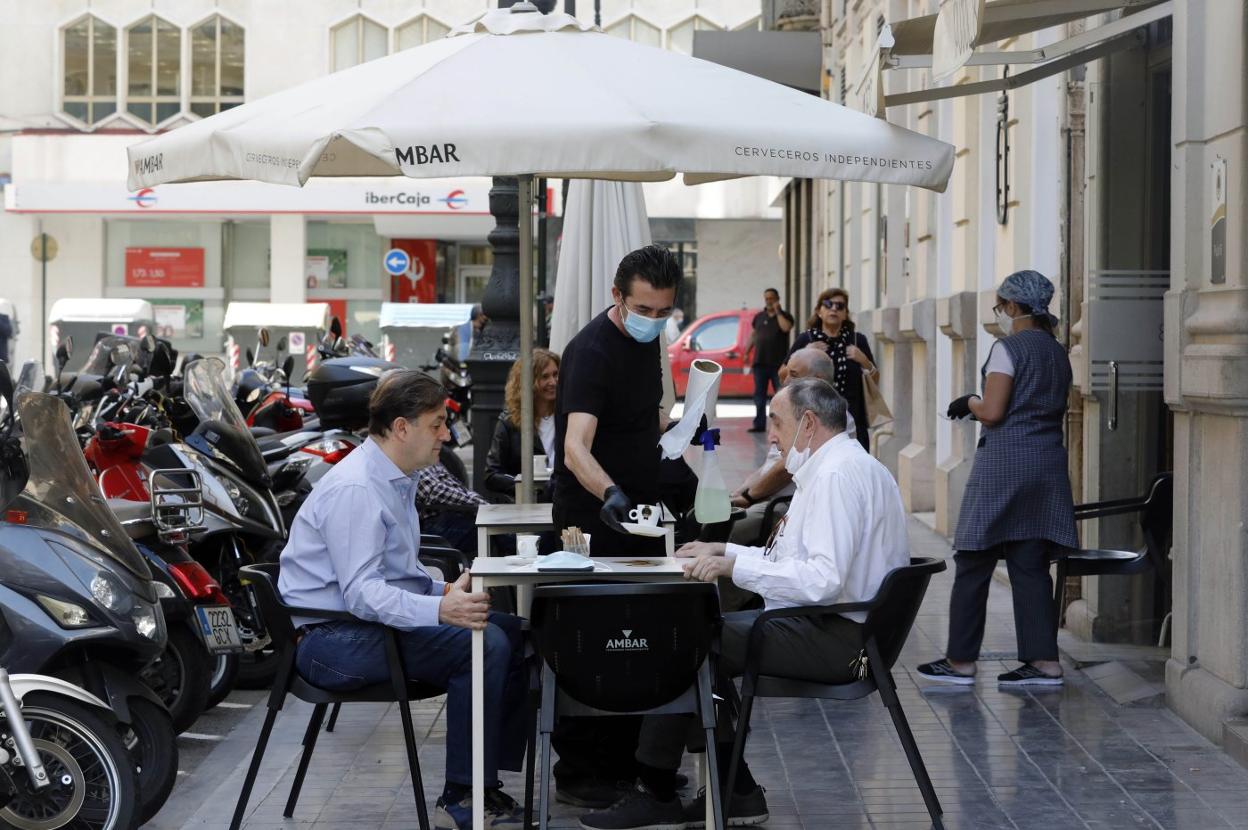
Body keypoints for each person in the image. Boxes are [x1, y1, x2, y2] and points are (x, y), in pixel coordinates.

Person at [580, 378, 910, 830]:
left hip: (841, 641)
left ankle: (657, 790)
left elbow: (821, 582)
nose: (770, 434)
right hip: (848, 632)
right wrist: (725, 553)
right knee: (700, 638)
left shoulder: (836, 476)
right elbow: (798, 564)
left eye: (777, 422)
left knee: (686, 640)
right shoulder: (849, 466)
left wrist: (732, 569)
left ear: (809, 423)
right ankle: (735, 790)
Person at [278, 370, 526, 829]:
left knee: (517, 633)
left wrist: (443, 591)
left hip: (357, 626)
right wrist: (439, 609)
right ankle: (463, 795)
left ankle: (485, 778)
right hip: (329, 640)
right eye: (436, 423)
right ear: (401, 428)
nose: (446, 435)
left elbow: (392, 577)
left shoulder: (394, 477)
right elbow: (362, 593)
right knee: (486, 643)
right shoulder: (358, 487)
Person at [549, 244, 680, 808]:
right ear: (617, 298)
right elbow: (576, 447)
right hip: (593, 515)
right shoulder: (593, 352)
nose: (654, 321)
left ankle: (625, 763)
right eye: (644, 310)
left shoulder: (646, 345)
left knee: (641, 635)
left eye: (663, 312)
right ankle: (580, 770)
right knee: (596, 640)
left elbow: (641, 422)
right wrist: (612, 495)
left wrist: (681, 428)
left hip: (639, 510)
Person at [918, 270, 1077, 688]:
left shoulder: (1008, 348)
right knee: (1029, 562)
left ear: (1011, 306)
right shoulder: (1058, 351)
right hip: (1047, 463)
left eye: (1001, 306)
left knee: (973, 558)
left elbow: (993, 411)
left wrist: (969, 401)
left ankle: (961, 663)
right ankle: (1045, 663)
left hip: (1004, 463)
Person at [727, 348, 857, 551]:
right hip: (775, 498)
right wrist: (740, 492)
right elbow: (770, 464)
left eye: (794, 375)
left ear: (817, 380)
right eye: (786, 373)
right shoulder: (796, 413)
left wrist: (749, 497)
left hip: (785, 502)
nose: (786, 381)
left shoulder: (834, 421)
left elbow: (785, 469)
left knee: (728, 530)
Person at [782, 287, 877, 450]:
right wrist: (805, 352)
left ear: (845, 313)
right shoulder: (807, 338)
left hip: (852, 418)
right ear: (819, 311)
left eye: (840, 306)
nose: (834, 309)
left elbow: (874, 381)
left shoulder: (857, 340)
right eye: (828, 304)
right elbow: (783, 375)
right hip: (814, 417)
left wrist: (864, 361)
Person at [484, 348, 560, 498]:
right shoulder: (509, 423)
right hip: (527, 505)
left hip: (563, 503)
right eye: (545, 377)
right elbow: (491, 475)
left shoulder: (568, 416)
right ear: (528, 382)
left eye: (556, 374)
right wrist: (526, 485)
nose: (553, 382)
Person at [745, 288, 793, 433]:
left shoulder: (785, 316)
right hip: (760, 363)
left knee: (782, 396)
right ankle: (759, 425)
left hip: (778, 365)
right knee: (759, 396)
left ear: (778, 298)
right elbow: (753, 335)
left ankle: (784, 425)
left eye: (772, 298)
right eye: (767, 298)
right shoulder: (759, 316)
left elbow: (786, 328)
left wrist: (778, 312)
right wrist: (747, 352)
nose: (769, 301)